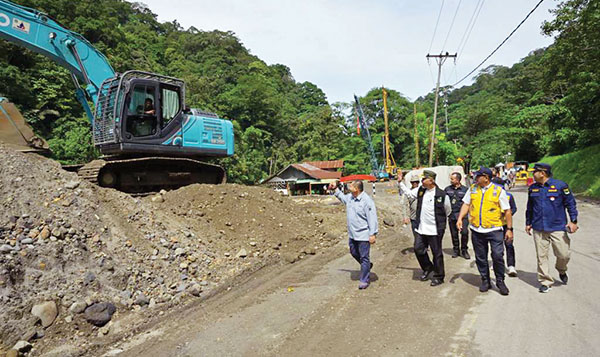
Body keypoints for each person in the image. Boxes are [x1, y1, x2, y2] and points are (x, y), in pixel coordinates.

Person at [457, 166, 513, 296]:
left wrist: (509, 229)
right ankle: (485, 280)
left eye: (478, 176)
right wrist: (460, 218)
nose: (475, 178)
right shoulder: (473, 189)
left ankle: (500, 280)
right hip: (477, 230)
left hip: (494, 230)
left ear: (486, 178)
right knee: (481, 257)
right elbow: (466, 204)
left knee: (497, 256)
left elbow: (507, 211)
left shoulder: (498, 191)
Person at [526, 163, 578, 293]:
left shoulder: (561, 186)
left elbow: (570, 203)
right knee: (541, 256)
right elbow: (530, 208)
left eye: (535, 172)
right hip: (539, 227)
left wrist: (573, 221)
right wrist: (528, 223)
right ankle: (545, 281)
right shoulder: (533, 188)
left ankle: (561, 269)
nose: (533, 174)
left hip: (557, 227)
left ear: (542, 173)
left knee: (563, 254)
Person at [398, 170, 451, 287]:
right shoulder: (421, 190)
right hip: (422, 228)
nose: (421, 181)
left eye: (424, 179)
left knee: (437, 254)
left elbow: (447, 210)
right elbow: (409, 194)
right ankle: (428, 268)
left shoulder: (441, 194)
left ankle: (439, 276)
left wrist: (440, 222)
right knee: (418, 249)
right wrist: (400, 182)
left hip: (435, 229)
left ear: (431, 180)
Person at [329, 180, 378, 289]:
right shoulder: (350, 198)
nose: (348, 186)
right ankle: (367, 266)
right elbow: (341, 197)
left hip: (363, 234)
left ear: (357, 189)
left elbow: (372, 218)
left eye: (351, 185)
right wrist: (334, 188)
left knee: (364, 257)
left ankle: (364, 280)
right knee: (353, 252)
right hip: (353, 234)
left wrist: (372, 234)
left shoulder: (367, 201)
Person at [444, 172, 470, 259]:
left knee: (464, 233)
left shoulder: (465, 190)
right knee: (454, 234)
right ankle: (456, 250)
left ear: (458, 180)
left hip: (462, 215)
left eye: (452, 179)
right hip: (452, 215)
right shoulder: (447, 189)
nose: (451, 181)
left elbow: (468, 203)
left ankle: (464, 250)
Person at [399, 174, 420, 240]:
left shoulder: (422, 191)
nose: (415, 183)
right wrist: (405, 216)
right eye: (413, 182)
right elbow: (404, 205)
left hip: (422, 217)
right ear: (411, 183)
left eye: (416, 182)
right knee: (416, 234)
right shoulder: (408, 192)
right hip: (413, 217)